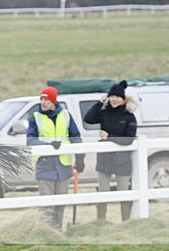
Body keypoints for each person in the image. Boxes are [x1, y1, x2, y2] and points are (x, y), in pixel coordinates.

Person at [26, 86, 85, 229]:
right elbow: (30, 140)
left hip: (63, 166)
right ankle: (46, 231)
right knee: (47, 204)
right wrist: (48, 144)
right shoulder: (35, 117)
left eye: (46, 99)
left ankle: (57, 231)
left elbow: (75, 137)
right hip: (45, 165)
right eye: (42, 99)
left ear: (53, 101)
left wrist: (80, 159)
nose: (43, 102)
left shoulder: (65, 115)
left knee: (61, 202)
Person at [83, 80, 138, 221]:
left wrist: (110, 137)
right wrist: (99, 103)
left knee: (124, 192)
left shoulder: (129, 116)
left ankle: (126, 221)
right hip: (104, 159)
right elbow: (88, 119)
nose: (114, 99)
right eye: (112, 96)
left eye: (117, 97)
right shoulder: (104, 113)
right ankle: (101, 221)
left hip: (122, 160)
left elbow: (129, 139)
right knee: (102, 191)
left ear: (123, 99)